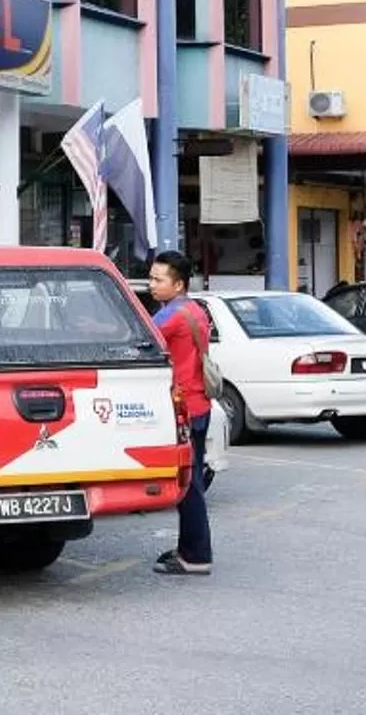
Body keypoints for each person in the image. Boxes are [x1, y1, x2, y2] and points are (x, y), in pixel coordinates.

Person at [145, 247, 214, 576]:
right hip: (199, 404)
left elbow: (140, 339)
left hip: (184, 406)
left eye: (159, 280)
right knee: (193, 479)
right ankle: (190, 548)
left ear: (179, 285)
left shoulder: (169, 315)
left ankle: (196, 556)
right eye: (151, 278)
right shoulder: (195, 310)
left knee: (189, 485)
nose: (151, 284)